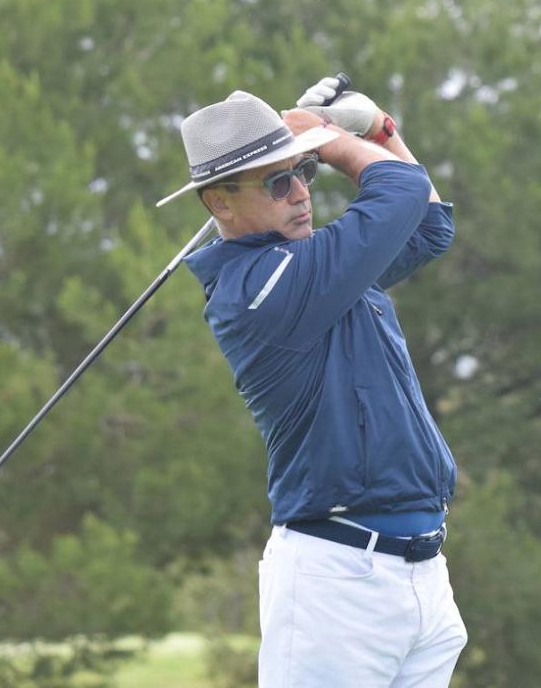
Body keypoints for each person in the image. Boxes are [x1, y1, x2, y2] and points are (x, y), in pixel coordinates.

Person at [156, 79, 467, 687]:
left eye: (304, 174)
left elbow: (429, 226)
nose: (301, 193)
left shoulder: (320, 267)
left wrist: (380, 133)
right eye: (279, 182)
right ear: (219, 203)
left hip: (422, 577)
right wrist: (329, 139)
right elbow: (399, 190)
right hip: (336, 584)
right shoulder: (260, 291)